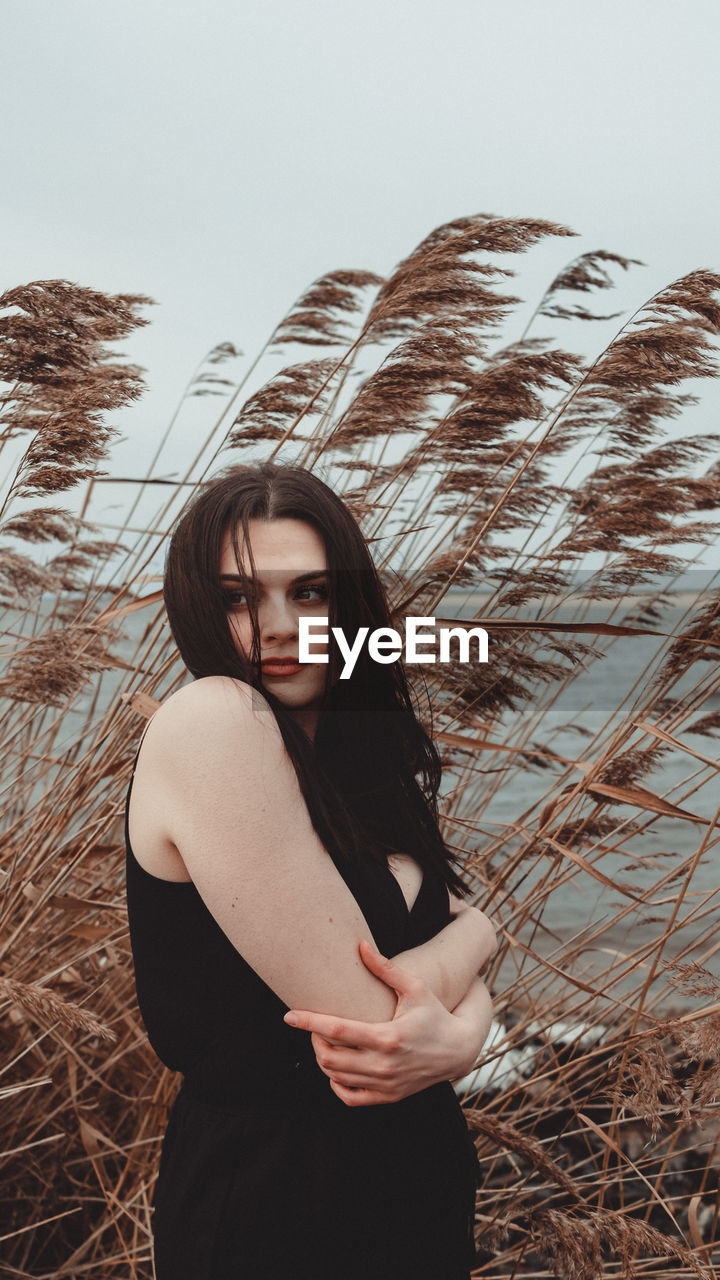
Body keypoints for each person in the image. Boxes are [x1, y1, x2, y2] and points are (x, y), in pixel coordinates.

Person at [125, 462, 496, 1280]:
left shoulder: (361, 759)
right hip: (275, 1215)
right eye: (237, 598)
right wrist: (480, 944)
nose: (278, 626)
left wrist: (462, 1031)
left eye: (312, 593)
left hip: (414, 1192)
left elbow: (427, 982)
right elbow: (375, 1021)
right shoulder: (215, 724)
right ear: (196, 604)